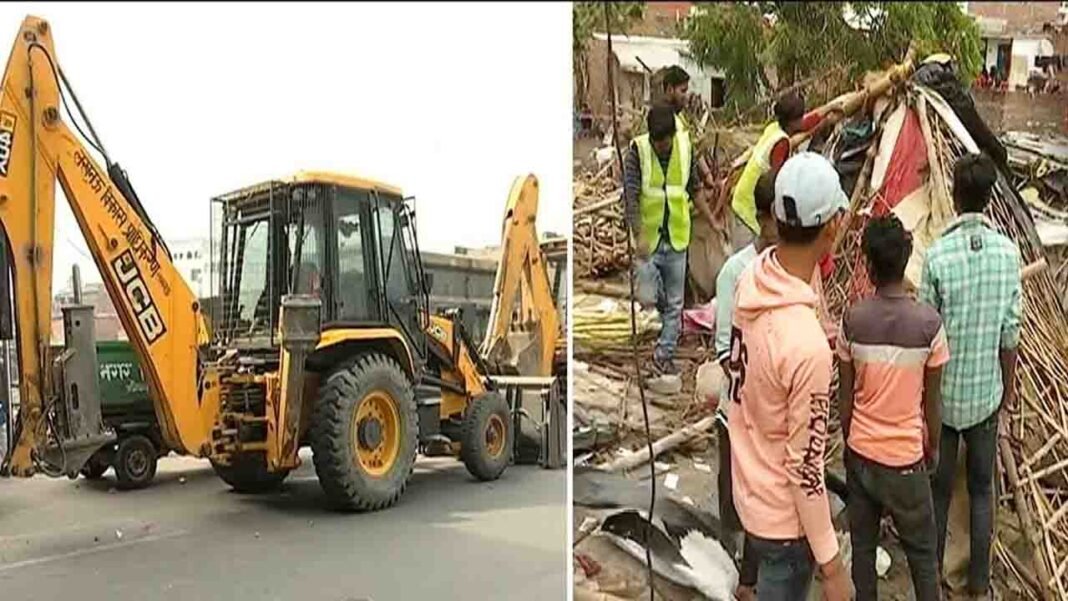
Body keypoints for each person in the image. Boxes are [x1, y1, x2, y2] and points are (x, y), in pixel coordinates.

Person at [726, 152, 852, 601]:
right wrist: (833, 566)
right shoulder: (806, 348)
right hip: (784, 525)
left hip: (749, 491)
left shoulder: (753, 281)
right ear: (833, 227)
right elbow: (805, 470)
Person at [921, 153, 1021, 600]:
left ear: (956, 196)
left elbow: (927, 334)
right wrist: (1008, 391)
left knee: (938, 492)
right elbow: (1010, 333)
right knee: (983, 491)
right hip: (985, 396)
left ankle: (936, 584)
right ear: (988, 198)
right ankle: (979, 586)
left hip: (944, 400)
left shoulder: (937, 256)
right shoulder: (1008, 253)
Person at [837, 215, 947, 601]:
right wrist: (931, 446)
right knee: (922, 554)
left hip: (863, 454)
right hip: (905, 459)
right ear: (906, 259)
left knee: (863, 551)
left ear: (868, 265)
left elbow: (845, 400)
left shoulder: (852, 321)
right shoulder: (929, 326)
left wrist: (851, 443)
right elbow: (931, 402)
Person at [623, 104, 706, 378]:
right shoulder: (638, 152)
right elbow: (631, 197)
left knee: (675, 304)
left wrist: (713, 221)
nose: (661, 146)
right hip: (650, 241)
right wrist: (639, 234)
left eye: (665, 141)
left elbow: (694, 187)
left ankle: (663, 355)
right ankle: (663, 332)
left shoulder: (684, 147)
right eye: (656, 142)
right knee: (648, 296)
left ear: (672, 134)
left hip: (677, 237)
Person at [729, 93, 839, 251]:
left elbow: (806, 123)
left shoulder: (773, 128)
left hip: (742, 197)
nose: (802, 121)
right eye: (799, 118)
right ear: (792, 121)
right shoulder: (781, 143)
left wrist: (827, 109)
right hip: (749, 206)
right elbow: (777, 181)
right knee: (748, 257)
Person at [661, 65, 691, 135]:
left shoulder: (680, 117)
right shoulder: (660, 120)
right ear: (670, 89)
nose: (686, 96)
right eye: (683, 91)